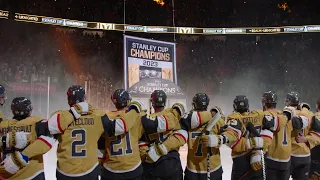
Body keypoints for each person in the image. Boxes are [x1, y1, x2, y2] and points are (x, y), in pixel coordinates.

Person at [1, 85, 144, 180]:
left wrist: (23, 155)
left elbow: (46, 141)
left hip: (65, 173)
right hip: (91, 172)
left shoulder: (60, 116)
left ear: (69, 100)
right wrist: (134, 110)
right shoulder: (98, 115)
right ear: (84, 99)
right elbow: (118, 128)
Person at [100, 89, 186, 180]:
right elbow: (180, 134)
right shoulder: (142, 117)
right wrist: (177, 111)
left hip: (115, 167)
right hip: (171, 163)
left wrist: (147, 156)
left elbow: (142, 143)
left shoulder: (105, 118)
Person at [201, 95, 279, 180]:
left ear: (235, 106)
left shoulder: (234, 117)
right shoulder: (258, 114)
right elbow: (270, 128)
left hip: (241, 163)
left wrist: (218, 139)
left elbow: (232, 136)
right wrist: (258, 149)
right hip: (260, 160)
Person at [139, 90, 187, 180]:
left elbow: (142, 143)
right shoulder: (173, 117)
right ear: (164, 102)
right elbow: (182, 136)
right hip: (173, 163)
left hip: (153, 165)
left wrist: (146, 156)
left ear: (152, 103)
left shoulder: (145, 120)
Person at [0, 97, 50, 180]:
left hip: (9, 175)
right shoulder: (36, 122)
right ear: (29, 110)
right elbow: (49, 139)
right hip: (33, 173)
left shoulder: (3, 125)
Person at [179, 93, 225, 180]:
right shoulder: (216, 119)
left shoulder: (188, 122)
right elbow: (227, 134)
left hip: (193, 169)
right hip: (213, 169)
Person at [261, 91, 305, 180]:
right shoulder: (285, 114)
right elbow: (296, 130)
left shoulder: (265, 116)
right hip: (286, 159)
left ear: (264, 103)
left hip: (272, 158)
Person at [285, 92, 318, 180]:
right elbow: (317, 135)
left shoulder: (285, 115)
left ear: (288, 101)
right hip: (305, 156)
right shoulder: (310, 114)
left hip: (290, 155)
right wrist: (306, 139)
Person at [308, 98, 320, 180]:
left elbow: (315, 136)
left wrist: (305, 139)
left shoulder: (315, 117)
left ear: (317, 105)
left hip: (316, 155)